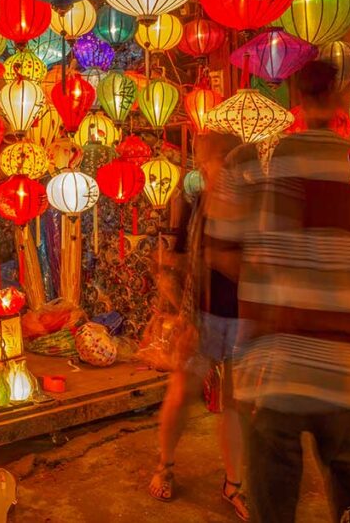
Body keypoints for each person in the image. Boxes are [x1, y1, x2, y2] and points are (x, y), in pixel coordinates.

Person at [208, 61, 350, 523]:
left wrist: (272, 273)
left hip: (276, 370)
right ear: (342, 99)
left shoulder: (254, 165)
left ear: (295, 100)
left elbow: (222, 253)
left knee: (273, 510)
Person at [149, 132, 248, 521]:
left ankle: (234, 483)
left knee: (235, 405)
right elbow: (169, 266)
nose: (221, 168)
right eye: (214, 161)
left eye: (228, 160)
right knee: (180, 395)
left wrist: (225, 261)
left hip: (241, 319)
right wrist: (180, 312)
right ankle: (166, 464)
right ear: (204, 167)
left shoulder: (252, 209)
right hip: (201, 318)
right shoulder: (193, 207)